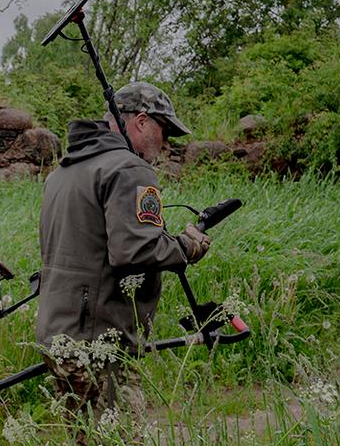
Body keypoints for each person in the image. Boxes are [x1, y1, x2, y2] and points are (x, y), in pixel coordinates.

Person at [35, 81, 211, 427]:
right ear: (142, 121)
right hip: (100, 341)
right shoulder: (129, 168)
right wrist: (186, 247)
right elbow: (136, 249)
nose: (166, 144)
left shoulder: (64, 171)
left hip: (58, 333)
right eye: (164, 131)